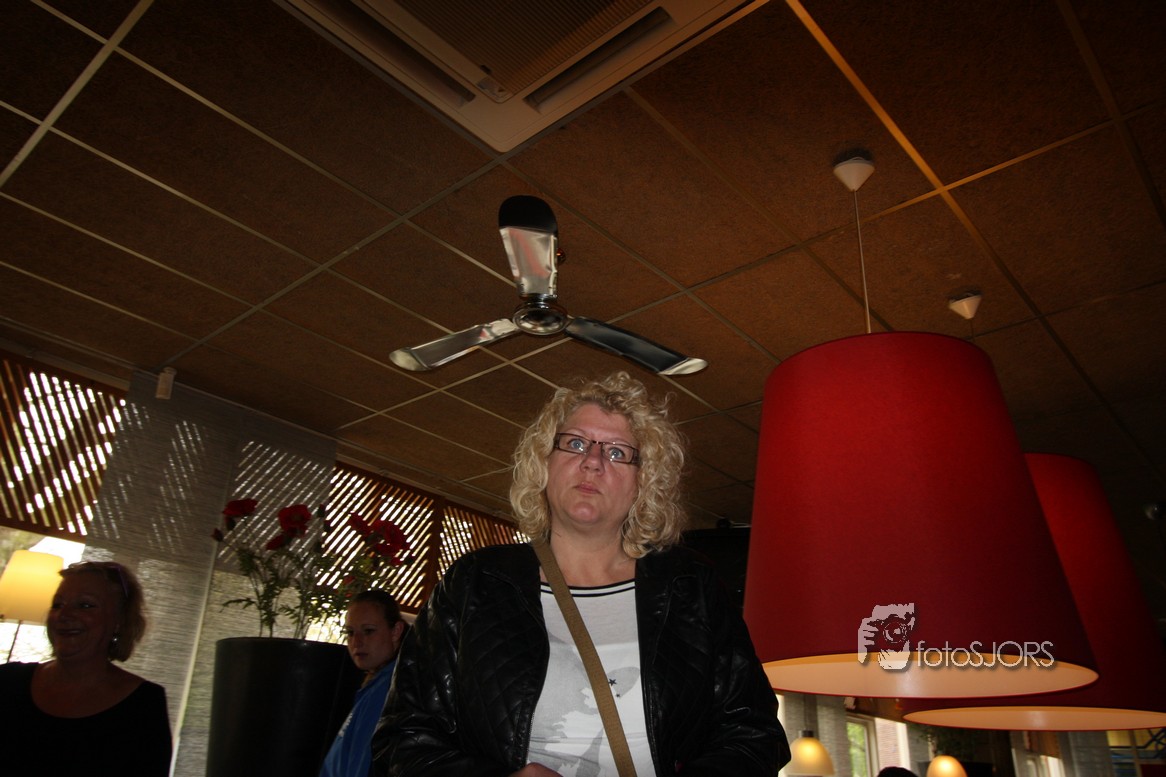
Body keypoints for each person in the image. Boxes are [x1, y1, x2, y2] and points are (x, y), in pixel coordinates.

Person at [372, 371, 789, 776]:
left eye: (617, 452)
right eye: (575, 443)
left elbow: (755, 736)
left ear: (644, 482)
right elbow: (403, 738)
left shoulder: (691, 586)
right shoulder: (475, 583)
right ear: (544, 462)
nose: (592, 462)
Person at [0, 560, 172, 776]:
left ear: (119, 620)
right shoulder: (8, 681)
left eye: (85, 605)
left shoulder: (144, 704)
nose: (64, 615)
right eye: (57, 604)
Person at [320, 589, 407, 777]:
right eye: (350, 633)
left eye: (368, 631)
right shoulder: (377, 684)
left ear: (396, 631)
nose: (356, 642)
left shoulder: (387, 690)